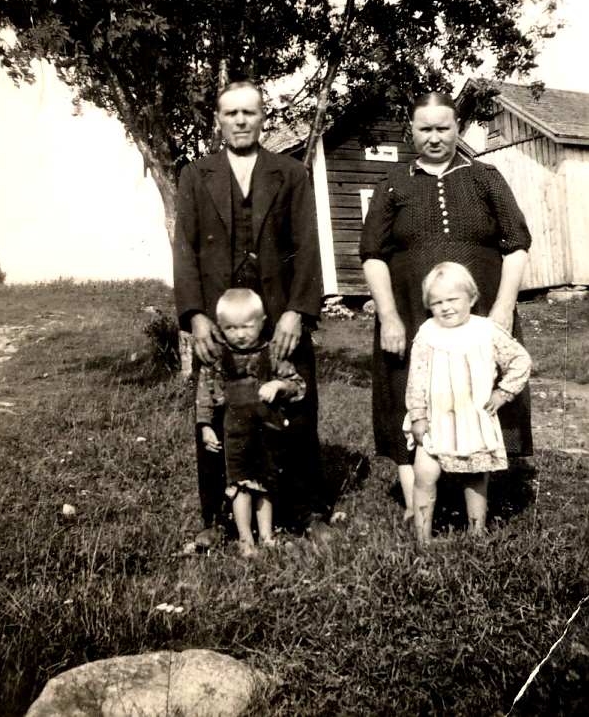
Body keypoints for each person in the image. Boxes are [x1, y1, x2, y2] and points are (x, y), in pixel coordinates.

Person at [360, 91, 533, 521]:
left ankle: (478, 494)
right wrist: (389, 317)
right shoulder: (393, 184)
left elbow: (517, 246)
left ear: (457, 128)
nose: (434, 137)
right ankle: (415, 503)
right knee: (409, 392)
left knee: (480, 391)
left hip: (481, 313)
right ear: (411, 132)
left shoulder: (486, 177)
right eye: (425, 129)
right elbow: (372, 254)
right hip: (412, 313)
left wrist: (504, 308)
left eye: (443, 128)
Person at [174, 80, 331, 548]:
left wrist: (297, 312)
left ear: (264, 117)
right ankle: (216, 519)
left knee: (298, 412)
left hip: (279, 316)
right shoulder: (195, 175)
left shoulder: (289, 172)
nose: (240, 121)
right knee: (220, 414)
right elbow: (184, 251)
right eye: (230, 113)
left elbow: (307, 246)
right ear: (218, 120)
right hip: (223, 321)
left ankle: (307, 510)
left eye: (249, 112)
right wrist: (196, 316)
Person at [403, 262, 531, 543]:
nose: (445, 308)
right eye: (436, 303)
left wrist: (503, 392)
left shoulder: (487, 331)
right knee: (425, 475)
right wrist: (417, 416)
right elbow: (417, 379)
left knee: (474, 478)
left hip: (473, 421)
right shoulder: (427, 335)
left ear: (471, 298)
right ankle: (422, 540)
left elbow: (520, 361)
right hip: (435, 420)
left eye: (452, 300)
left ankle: (476, 533)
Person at [196, 288, 306, 557]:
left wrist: (279, 385)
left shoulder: (273, 355)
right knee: (241, 487)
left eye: (247, 326)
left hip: (267, 433)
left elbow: (299, 387)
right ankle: (246, 539)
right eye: (231, 328)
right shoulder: (218, 360)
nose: (240, 334)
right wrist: (206, 426)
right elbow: (205, 395)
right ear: (221, 328)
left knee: (265, 485)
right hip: (235, 435)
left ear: (262, 322)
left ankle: (267, 536)